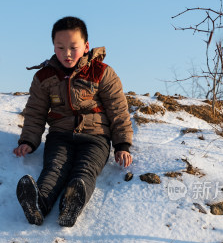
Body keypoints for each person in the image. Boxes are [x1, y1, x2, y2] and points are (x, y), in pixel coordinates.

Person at [13, 16, 133, 227]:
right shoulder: (44, 76)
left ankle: (71, 205)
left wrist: (122, 145)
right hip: (60, 136)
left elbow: (118, 110)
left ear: (86, 46)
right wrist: (28, 141)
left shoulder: (102, 73)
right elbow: (35, 111)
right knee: (54, 168)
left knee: (84, 169)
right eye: (60, 48)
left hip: (96, 138)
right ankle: (38, 203)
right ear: (53, 47)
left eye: (72, 47)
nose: (66, 53)